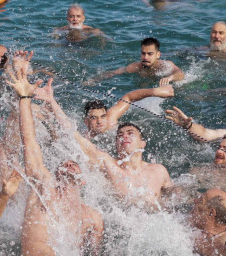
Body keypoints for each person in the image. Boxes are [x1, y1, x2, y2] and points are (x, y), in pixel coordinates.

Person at [5, 55, 104, 256]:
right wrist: (24, 98)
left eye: (75, 164)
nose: (69, 162)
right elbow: (29, 141)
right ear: (56, 172)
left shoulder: (92, 217)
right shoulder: (44, 187)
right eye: (65, 163)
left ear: (84, 180)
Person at [43, 86, 174, 211]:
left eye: (130, 133)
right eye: (120, 135)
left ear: (142, 143)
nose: (124, 137)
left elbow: (174, 199)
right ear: (116, 145)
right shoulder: (108, 164)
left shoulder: (159, 170)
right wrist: (52, 101)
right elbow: (73, 134)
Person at [81, 85, 175, 137]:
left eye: (103, 116)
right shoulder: (86, 138)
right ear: (86, 121)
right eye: (94, 118)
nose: (99, 121)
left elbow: (129, 97)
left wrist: (155, 92)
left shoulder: (111, 119)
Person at [86, 37, 184, 86]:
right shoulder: (136, 67)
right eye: (143, 53)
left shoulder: (164, 65)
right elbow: (114, 72)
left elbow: (180, 74)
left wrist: (170, 78)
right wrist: (94, 80)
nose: (145, 57)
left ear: (158, 54)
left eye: (150, 54)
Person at [190, 189, 226, 256]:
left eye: (201, 201)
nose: (195, 200)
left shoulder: (221, 247)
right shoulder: (202, 233)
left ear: (211, 213)